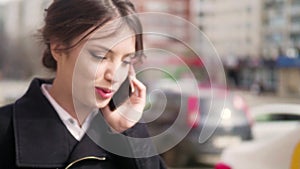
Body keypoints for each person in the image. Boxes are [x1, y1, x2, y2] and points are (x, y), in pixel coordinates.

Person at [0, 0, 167, 168]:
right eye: (100, 56)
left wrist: (128, 132)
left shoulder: (126, 134)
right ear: (58, 47)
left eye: (126, 61)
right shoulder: (6, 130)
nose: (114, 76)